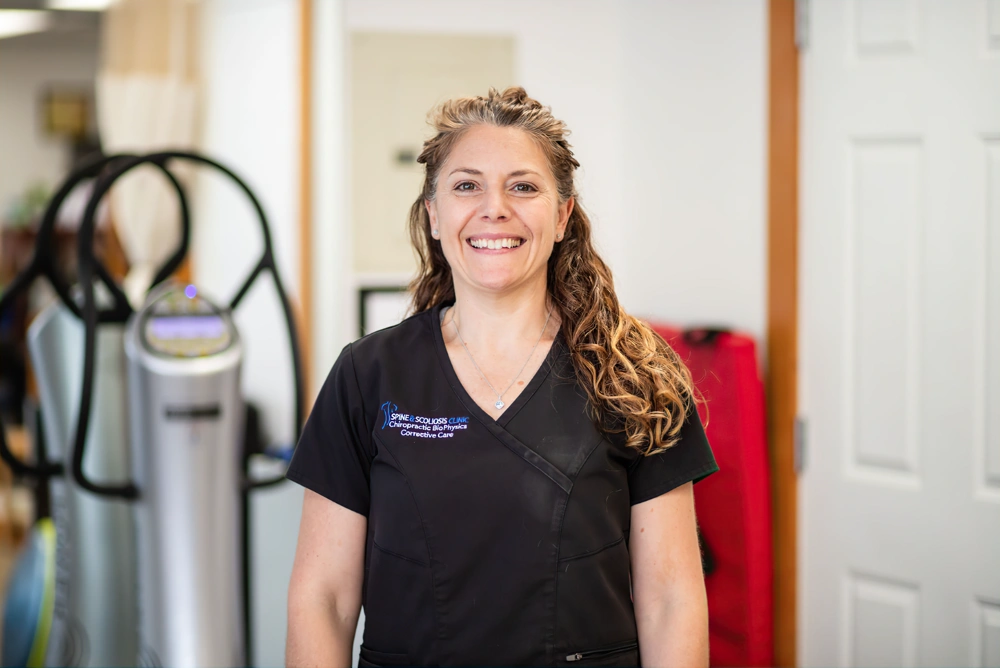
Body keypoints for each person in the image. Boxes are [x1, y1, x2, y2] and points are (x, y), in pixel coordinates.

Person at [285, 87, 718, 667]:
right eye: (467, 186)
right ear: (434, 215)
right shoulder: (368, 375)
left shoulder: (634, 376)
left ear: (562, 216)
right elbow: (324, 600)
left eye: (523, 187)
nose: (495, 208)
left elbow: (671, 601)